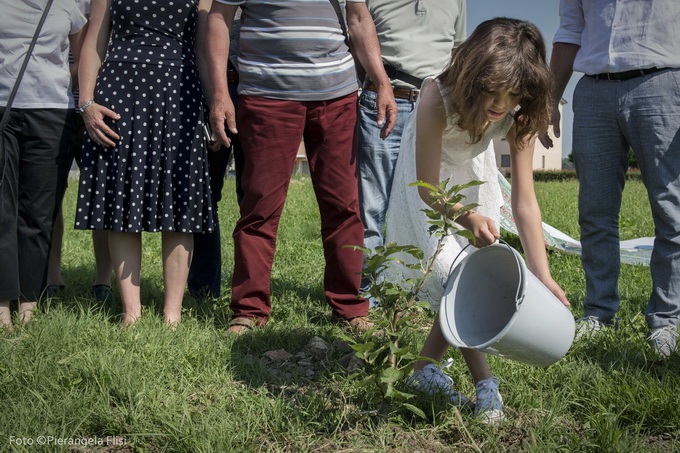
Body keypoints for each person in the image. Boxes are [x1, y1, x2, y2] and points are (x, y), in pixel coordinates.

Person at [385, 18, 569, 423]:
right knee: (458, 273)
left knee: (467, 274)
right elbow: (426, 187)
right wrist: (466, 217)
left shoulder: (519, 114)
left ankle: (422, 368)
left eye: (514, 94)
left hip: (473, 176)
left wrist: (543, 274)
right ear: (472, 75)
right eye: (492, 92)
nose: (501, 105)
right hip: (428, 184)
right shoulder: (437, 98)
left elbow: (524, 202)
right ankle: (485, 383)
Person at [207, 0, 397, 333]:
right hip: (267, 96)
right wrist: (221, 93)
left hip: (337, 95)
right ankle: (249, 311)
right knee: (260, 208)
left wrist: (381, 81)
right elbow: (219, 19)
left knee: (344, 205)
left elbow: (358, 18)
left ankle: (351, 308)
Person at [541, 0, 680, 359]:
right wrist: (551, 98)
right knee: (595, 211)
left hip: (664, 83)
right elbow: (571, 31)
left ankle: (666, 320)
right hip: (592, 91)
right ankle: (599, 314)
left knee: (671, 211)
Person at [75, 0, 215, 326]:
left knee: (181, 206)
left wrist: (213, 107)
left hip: (181, 93)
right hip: (120, 94)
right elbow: (94, 42)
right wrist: (86, 102)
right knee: (122, 205)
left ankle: (173, 315)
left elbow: (204, 53)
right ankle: (131, 313)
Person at [357, 0, 466, 295]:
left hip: (439, 107)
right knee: (373, 204)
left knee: (432, 199)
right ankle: (371, 294)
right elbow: (356, 36)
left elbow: (458, 52)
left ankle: (427, 288)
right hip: (385, 100)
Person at [0, 0, 88, 330]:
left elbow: (82, 58)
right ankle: (1, 306)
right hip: (2, 109)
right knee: (2, 209)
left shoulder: (68, 3)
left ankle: (28, 303)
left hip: (51, 111)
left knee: (39, 211)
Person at [46, 0, 114, 304]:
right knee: (48, 197)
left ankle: (103, 280)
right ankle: (51, 276)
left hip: (99, 107)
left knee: (101, 196)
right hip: (53, 109)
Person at [188, 10, 244, 300]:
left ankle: (250, 292)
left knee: (255, 200)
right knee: (203, 197)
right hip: (205, 91)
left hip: (255, 93)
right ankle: (203, 289)